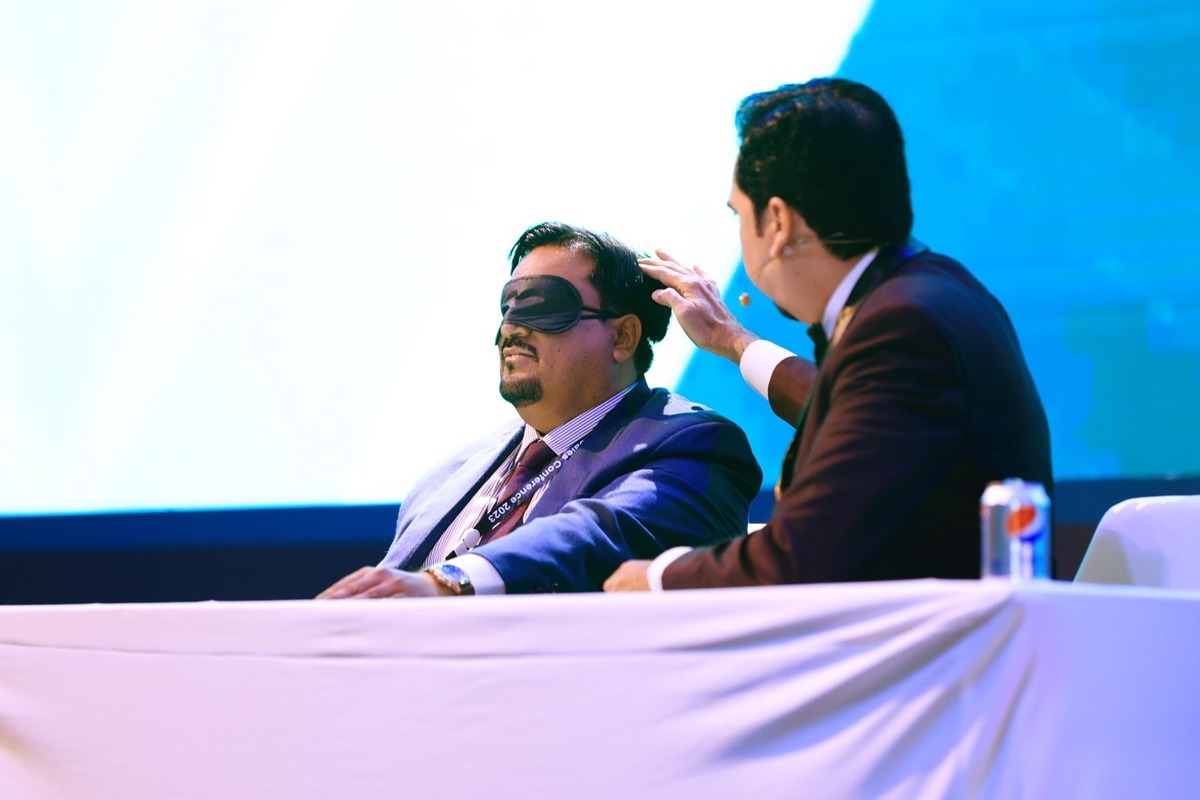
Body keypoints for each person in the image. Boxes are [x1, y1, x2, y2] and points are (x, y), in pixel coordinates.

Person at [604, 78, 1053, 591]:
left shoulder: (902, 329)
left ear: (777, 222)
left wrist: (657, 578)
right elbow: (858, 417)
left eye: (739, 214)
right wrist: (733, 341)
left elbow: (803, 557)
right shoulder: (932, 289)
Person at [318, 221, 761, 598]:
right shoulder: (446, 478)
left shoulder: (691, 444)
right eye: (508, 307)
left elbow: (598, 535)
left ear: (623, 338)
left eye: (544, 306)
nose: (511, 328)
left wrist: (450, 582)